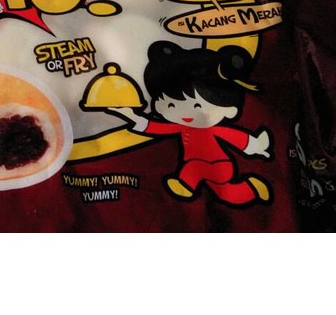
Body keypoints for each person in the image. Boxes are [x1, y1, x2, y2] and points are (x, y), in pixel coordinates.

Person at [111, 41, 273, 205]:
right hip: (205, 168)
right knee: (227, 194)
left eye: (197, 106)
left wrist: (256, 145)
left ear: (229, 109)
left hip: (219, 165)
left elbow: (235, 137)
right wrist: (132, 116)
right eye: (170, 105)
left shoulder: (214, 129)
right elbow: (157, 127)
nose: (186, 114)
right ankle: (253, 188)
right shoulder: (181, 127)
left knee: (194, 167)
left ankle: (185, 185)